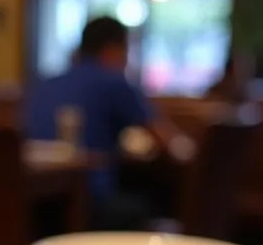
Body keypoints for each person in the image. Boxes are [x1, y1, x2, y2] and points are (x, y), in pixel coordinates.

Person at [24, 16, 182, 230]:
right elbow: (166, 142)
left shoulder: (44, 84)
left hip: (32, 205)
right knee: (156, 201)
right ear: (112, 50)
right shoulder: (114, 81)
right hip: (87, 201)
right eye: (126, 51)